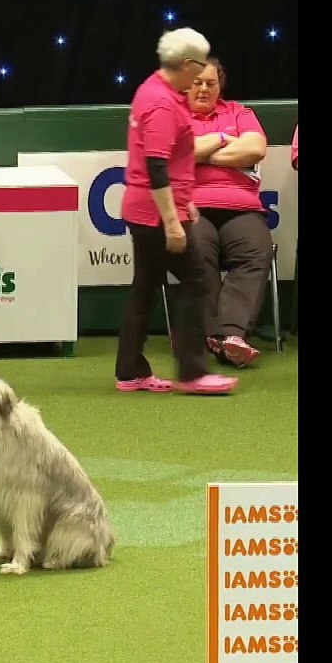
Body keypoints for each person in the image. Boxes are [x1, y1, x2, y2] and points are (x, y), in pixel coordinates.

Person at [116, 28, 239, 395]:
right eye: (199, 67)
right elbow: (156, 167)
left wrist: (185, 200)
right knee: (197, 281)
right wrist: (173, 221)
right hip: (155, 214)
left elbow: (170, 162)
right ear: (186, 64)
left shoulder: (155, 88)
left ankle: (130, 372)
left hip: (150, 209)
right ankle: (193, 373)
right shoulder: (163, 104)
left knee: (145, 290)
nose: (202, 75)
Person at [188, 57, 273, 368]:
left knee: (256, 249)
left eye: (211, 83)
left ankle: (232, 336)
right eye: (197, 82)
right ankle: (214, 335)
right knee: (196, 248)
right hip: (192, 206)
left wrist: (203, 156)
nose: (204, 89)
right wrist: (223, 141)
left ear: (219, 85)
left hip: (242, 208)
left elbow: (254, 149)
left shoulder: (239, 112)